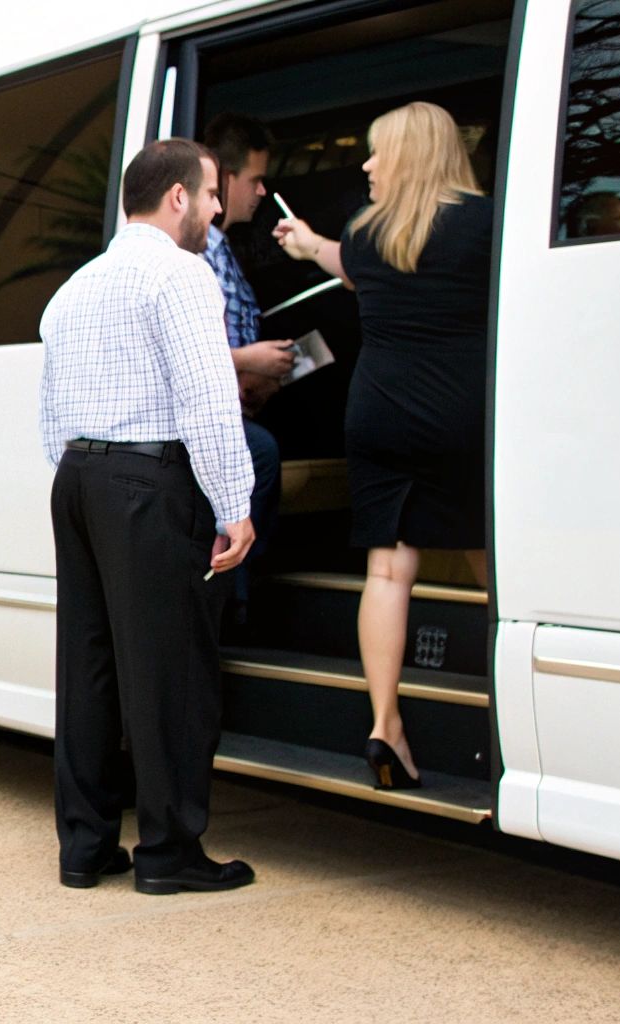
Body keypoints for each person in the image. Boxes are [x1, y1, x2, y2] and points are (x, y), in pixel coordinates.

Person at [39, 138, 257, 895]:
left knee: (88, 667)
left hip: (78, 475)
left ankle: (85, 847)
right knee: (168, 671)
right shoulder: (180, 275)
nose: (216, 210)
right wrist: (235, 504)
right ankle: (169, 854)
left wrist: (81, 475)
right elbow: (207, 397)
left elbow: (50, 409)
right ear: (175, 198)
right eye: (209, 196)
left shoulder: (77, 285)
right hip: (146, 480)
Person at [272, 101, 490, 790]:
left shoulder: (369, 234)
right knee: (493, 569)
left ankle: (384, 722)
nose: (365, 164)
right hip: (460, 417)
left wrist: (310, 245)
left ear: (410, 156)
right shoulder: (488, 226)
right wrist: (313, 246)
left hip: (378, 414)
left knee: (388, 573)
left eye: (376, 153)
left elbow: (352, 265)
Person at [198, 114, 293, 614]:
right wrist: (245, 360)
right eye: (254, 180)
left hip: (239, 398)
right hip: (214, 410)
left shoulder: (224, 249)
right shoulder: (197, 250)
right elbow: (188, 344)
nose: (260, 192)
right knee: (260, 453)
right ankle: (232, 595)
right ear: (225, 178)